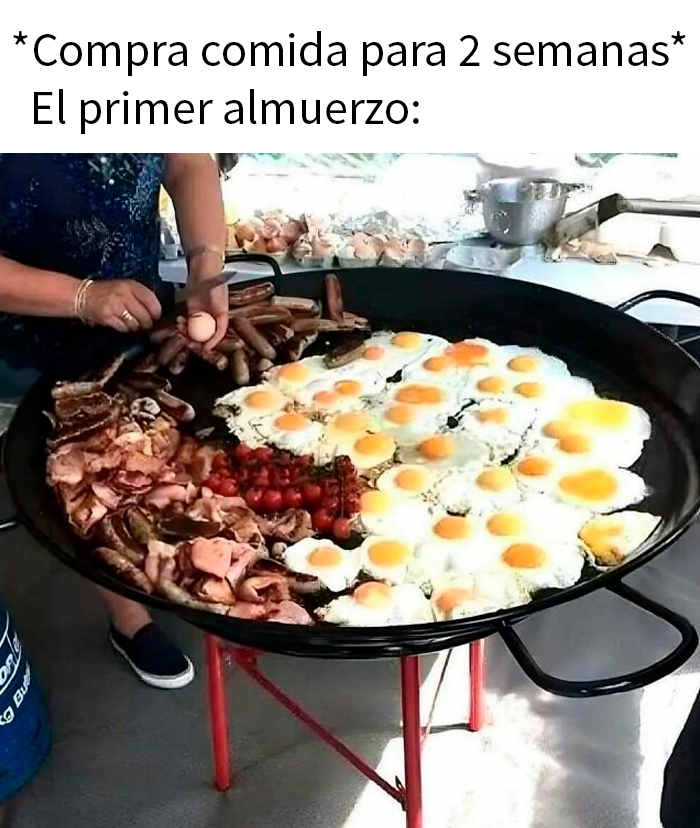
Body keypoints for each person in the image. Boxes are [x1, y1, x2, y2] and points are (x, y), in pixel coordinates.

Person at [0, 153, 229, 691]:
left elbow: (188, 160)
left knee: (150, 451)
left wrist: (205, 262)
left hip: (133, 304)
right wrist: (80, 297)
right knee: (90, 475)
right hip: (25, 334)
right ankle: (130, 621)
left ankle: (188, 560)